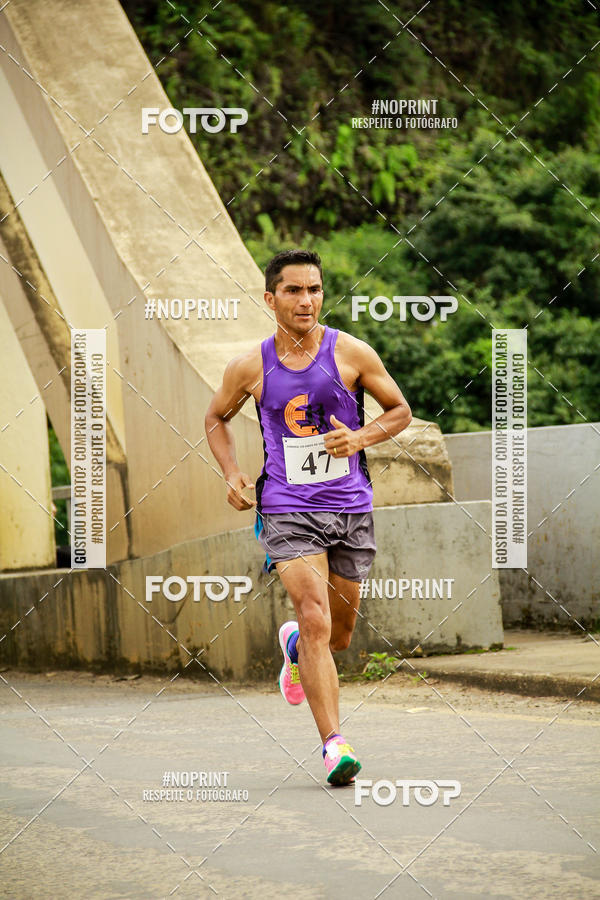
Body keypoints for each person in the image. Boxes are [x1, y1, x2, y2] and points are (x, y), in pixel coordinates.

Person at [205, 249, 412, 785]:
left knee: (337, 635)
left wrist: (361, 436)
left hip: (350, 509)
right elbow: (215, 418)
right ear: (270, 298)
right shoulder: (250, 367)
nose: (306, 300)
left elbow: (400, 410)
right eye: (294, 291)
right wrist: (231, 473)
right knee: (315, 611)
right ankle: (333, 744)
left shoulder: (351, 352)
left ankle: (296, 645)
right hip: (287, 510)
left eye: (315, 289)